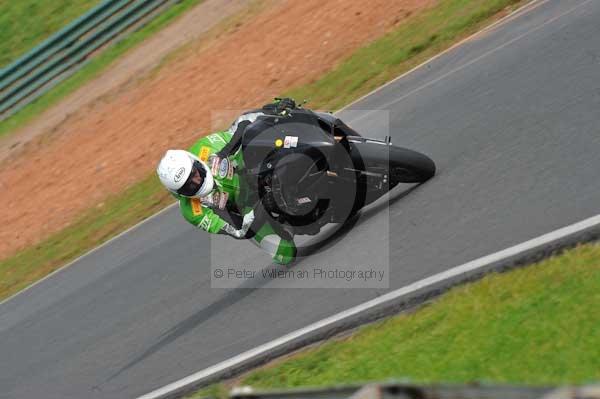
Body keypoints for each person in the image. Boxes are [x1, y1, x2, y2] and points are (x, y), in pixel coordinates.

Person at [156, 99, 299, 265]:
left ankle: (302, 124)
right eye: (189, 186)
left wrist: (224, 152)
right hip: (248, 208)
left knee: (252, 121)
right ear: (180, 193)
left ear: (195, 162)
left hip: (247, 168)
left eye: (194, 174)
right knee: (285, 254)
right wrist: (262, 206)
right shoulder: (194, 212)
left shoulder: (203, 148)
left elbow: (240, 129)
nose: (196, 181)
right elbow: (239, 230)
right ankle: (289, 222)